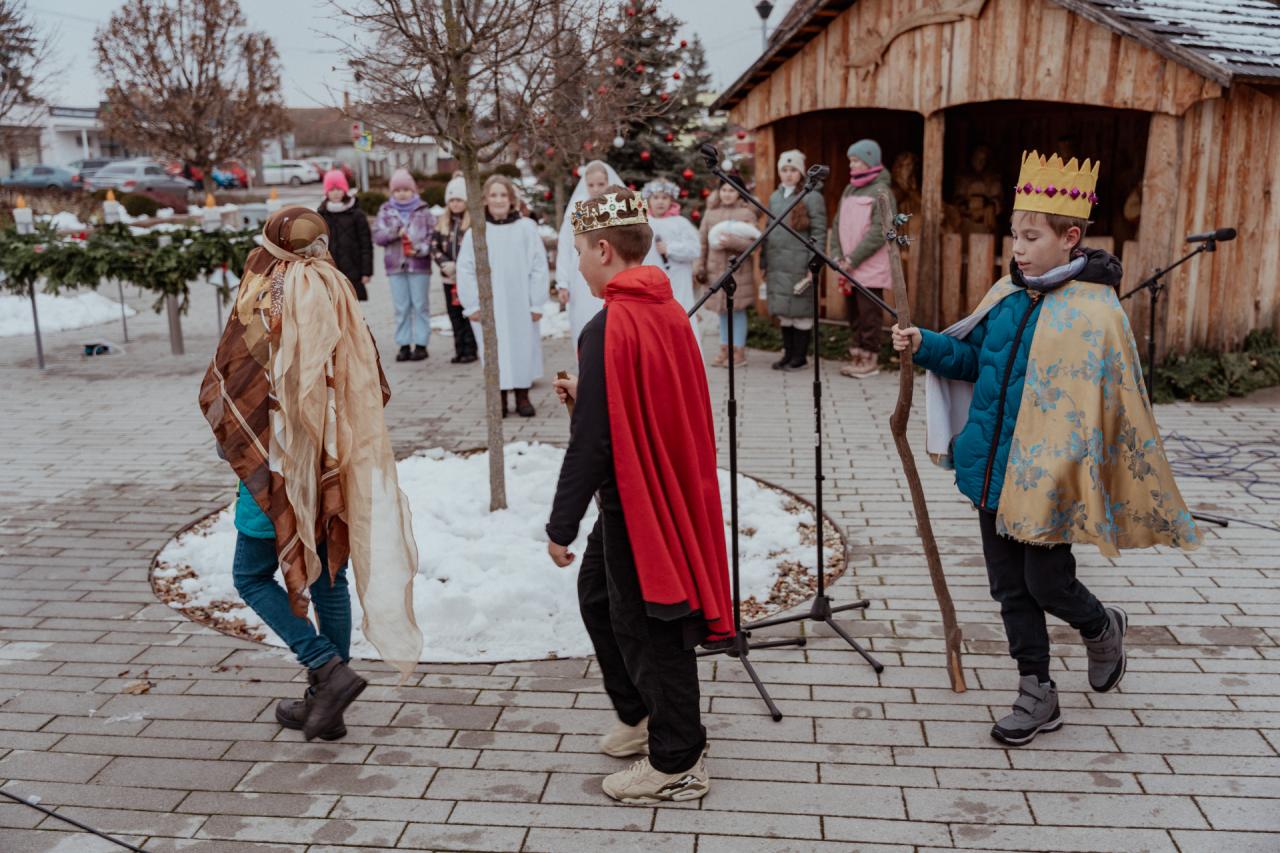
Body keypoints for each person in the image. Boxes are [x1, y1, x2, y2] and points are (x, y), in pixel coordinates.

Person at [892, 151, 1200, 746]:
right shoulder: (1007, 294)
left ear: (1070, 237)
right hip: (992, 471)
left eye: (1032, 237)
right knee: (1009, 588)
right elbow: (975, 360)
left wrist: (1072, 467)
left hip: (1048, 479)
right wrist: (925, 344)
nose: (1019, 248)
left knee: (1048, 584)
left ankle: (1101, 625)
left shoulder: (1093, 312)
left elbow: (1106, 406)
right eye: (1015, 235)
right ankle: (1036, 690)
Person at [199, 206, 423, 741]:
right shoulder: (335, 288)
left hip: (275, 466)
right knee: (328, 578)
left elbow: (234, 385)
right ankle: (328, 705)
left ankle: (325, 667)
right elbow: (369, 379)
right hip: (332, 460)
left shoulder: (263, 295)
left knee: (250, 576)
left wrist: (241, 443)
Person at [547, 186, 734, 804]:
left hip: (639, 501)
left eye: (579, 251)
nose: (577, 264)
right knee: (600, 597)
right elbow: (643, 400)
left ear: (604, 250)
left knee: (654, 622)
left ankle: (677, 759)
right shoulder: (665, 307)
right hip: (654, 487)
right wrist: (593, 394)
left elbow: (594, 442)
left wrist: (561, 525)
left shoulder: (609, 326)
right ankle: (642, 712)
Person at [456, 174, 549, 417]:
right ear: (485, 199)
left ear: (511, 199)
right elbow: (465, 269)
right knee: (494, 348)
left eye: (503, 195)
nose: (498, 200)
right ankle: (499, 398)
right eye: (493, 195)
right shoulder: (477, 231)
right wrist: (471, 304)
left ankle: (522, 395)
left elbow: (539, 265)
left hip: (521, 301)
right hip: (490, 304)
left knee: (522, 347)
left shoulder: (526, 228)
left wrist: (537, 302)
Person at [830, 138, 895, 379]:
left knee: (869, 314)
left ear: (870, 161)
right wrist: (837, 255)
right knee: (854, 314)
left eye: (856, 160)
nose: (852, 165)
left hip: (869, 266)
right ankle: (857, 354)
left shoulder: (881, 191)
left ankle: (870, 358)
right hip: (848, 266)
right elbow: (837, 223)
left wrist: (853, 259)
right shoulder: (849, 189)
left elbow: (879, 231)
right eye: (851, 160)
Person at [760, 149, 827, 371]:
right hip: (778, 263)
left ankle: (800, 357)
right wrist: (764, 261)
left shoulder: (812, 197)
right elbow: (768, 229)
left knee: (800, 310)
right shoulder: (775, 197)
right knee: (784, 311)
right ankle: (788, 354)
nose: (788, 174)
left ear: (801, 173)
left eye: (793, 170)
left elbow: (818, 231)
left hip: (800, 263)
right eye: (784, 170)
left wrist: (813, 263)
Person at [373, 168, 436, 362]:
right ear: (392, 192)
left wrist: (422, 249)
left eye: (406, 190)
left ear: (413, 190)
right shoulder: (386, 211)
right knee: (401, 307)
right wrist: (394, 232)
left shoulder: (424, 211)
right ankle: (404, 343)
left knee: (420, 305)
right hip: (395, 267)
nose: (402, 193)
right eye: (398, 190)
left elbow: (433, 236)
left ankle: (421, 343)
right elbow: (377, 236)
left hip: (419, 265)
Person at [695, 177, 760, 368]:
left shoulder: (747, 213)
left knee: (737, 310)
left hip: (738, 272)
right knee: (722, 311)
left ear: (739, 193)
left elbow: (754, 243)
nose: (727, 194)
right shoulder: (711, 213)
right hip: (715, 270)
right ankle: (725, 348)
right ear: (719, 192)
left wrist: (732, 242)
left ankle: (739, 351)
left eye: (732, 190)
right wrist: (700, 266)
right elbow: (702, 242)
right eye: (724, 190)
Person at [557, 160, 620, 347]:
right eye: (591, 185)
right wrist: (563, 283)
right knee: (585, 318)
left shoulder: (618, 208)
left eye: (601, 184)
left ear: (608, 182)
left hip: (612, 271)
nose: (596, 189)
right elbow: (566, 246)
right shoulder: (576, 211)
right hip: (582, 276)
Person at [641, 178, 701, 349]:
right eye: (656, 197)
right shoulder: (643, 223)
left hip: (678, 280)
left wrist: (670, 249)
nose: (660, 202)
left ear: (671, 200)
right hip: (651, 281)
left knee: (680, 317)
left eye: (664, 197)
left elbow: (694, 249)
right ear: (648, 200)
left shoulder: (681, 223)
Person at [431, 175, 479, 364]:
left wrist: (462, 266)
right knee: (454, 314)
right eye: (452, 200)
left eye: (459, 200)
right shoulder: (442, 223)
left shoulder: (472, 223)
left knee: (468, 311)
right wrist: (445, 264)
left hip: (467, 277)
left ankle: (471, 349)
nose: (455, 204)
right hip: (449, 277)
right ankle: (459, 349)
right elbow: (434, 246)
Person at [317, 169, 373, 302]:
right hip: (329, 271)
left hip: (353, 270)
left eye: (339, 189)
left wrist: (366, 271)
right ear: (327, 192)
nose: (336, 192)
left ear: (345, 190)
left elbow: (366, 244)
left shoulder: (356, 214)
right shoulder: (321, 215)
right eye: (332, 189)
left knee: (352, 307)